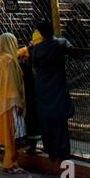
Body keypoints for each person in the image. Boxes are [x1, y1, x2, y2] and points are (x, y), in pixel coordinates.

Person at [28, 20, 74, 162]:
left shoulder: (37, 49)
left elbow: (33, 64)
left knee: (46, 121)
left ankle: (51, 150)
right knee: (60, 121)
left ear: (40, 33)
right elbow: (73, 51)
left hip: (42, 87)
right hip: (57, 86)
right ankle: (63, 151)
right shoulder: (60, 43)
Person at [0, 32, 26, 173]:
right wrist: (17, 102)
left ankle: (12, 162)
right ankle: (9, 164)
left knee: (8, 134)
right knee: (13, 134)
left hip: (2, 102)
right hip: (11, 102)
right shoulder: (9, 61)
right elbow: (11, 83)